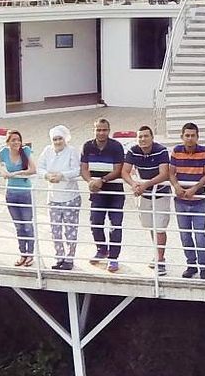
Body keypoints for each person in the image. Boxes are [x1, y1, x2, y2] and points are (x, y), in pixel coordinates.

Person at [168, 121, 205, 278]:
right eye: (187, 135)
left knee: (200, 235)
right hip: (181, 201)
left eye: (192, 135)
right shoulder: (176, 151)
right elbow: (171, 173)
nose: (189, 138)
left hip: (199, 201)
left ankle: (204, 268)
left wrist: (194, 188)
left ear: (197, 137)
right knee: (185, 235)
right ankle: (191, 265)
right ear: (182, 137)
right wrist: (176, 186)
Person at [81, 116, 128, 273]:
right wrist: (90, 182)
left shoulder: (116, 146)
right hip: (97, 192)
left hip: (115, 193)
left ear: (109, 130)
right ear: (94, 130)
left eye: (104, 130)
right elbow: (84, 169)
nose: (101, 133)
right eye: (98, 130)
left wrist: (102, 180)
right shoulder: (87, 146)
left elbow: (118, 170)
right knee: (95, 222)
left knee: (115, 225)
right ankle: (102, 249)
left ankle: (113, 258)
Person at [124, 124, 172, 274]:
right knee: (151, 226)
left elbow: (164, 174)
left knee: (159, 227)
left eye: (146, 136)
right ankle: (157, 254)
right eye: (140, 136)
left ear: (152, 137)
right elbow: (125, 171)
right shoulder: (133, 150)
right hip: (144, 194)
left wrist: (146, 184)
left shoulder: (161, 150)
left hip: (161, 193)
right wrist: (134, 184)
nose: (143, 139)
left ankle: (160, 260)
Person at [38, 124, 82, 271]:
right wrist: (47, 175)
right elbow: (40, 167)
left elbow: (77, 170)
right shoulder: (47, 150)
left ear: (65, 139)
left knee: (70, 230)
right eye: (55, 139)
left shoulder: (71, 151)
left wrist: (62, 176)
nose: (57, 142)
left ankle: (70, 258)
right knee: (55, 230)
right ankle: (59, 257)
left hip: (70, 196)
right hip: (53, 197)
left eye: (60, 139)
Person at [0, 128, 35, 268]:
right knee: (18, 226)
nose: (16, 142)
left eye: (18, 140)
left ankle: (30, 254)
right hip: (11, 194)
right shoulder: (4, 152)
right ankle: (22, 254)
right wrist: (2, 171)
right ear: (8, 142)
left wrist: (15, 173)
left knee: (27, 225)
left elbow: (33, 170)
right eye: (13, 140)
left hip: (24, 192)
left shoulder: (25, 151)